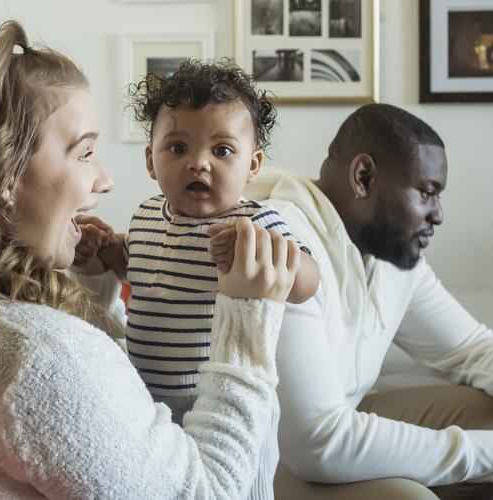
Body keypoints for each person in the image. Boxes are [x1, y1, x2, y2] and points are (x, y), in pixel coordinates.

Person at [0, 21, 301, 499]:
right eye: (85, 152)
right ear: (3, 175)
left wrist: (96, 281)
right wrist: (248, 319)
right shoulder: (37, 359)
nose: (105, 180)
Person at [239, 103, 493, 500]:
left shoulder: (387, 252)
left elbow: (470, 349)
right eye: (427, 193)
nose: (438, 215)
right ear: (364, 177)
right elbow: (316, 443)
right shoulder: (283, 243)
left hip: (333, 428)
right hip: (267, 461)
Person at [74, 60, 320, 500]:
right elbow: (144, 273)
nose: (198, 164)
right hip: (149, 400)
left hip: (225, 403)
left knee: (242, 489)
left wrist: (258, 251)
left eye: (222, 150)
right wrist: (110, 253)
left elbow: (307, 280)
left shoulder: (256, 220)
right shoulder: (148, 214)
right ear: (150, 161)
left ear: (252, 166)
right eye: (178, 148)